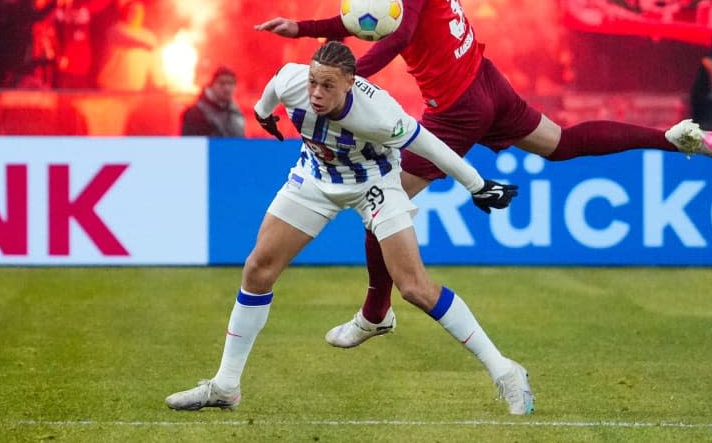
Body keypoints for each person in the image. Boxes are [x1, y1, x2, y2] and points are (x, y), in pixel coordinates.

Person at [254, 0, 712, 350]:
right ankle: (671, 138)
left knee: (381, 201)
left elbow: (399, 35)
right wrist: (303, 28)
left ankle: (375, 314)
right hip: (484, 79)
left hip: (458, 106)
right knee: (561, 144)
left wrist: (347, 80)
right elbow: (376, 21)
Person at [165, 41, 533, 415]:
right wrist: (262, 113)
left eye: (327, 86)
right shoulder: (296, 82)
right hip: (314, 180)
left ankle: (505, 371)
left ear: (350, 84)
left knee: (414, 287)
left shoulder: (380, 114)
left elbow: (433, 147)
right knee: (257, 270)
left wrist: (477, 185)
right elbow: (277, 83)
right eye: (312, 83)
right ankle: (226, 386)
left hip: (374, 185)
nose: (316, 93)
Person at [180, 66, 245, 137]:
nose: (227, 88)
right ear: (212, 85)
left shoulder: (236, 113)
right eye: (222, 83)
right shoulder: (194, 114)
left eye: (231, 83)